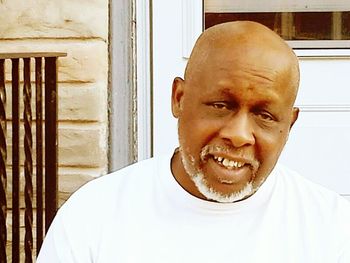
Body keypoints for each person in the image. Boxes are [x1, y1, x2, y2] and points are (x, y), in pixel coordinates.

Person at [37, 21, 350, 262]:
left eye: (264, 115)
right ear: (179, 99)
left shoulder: (331, 229)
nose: (239, 134)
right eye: (220, 105)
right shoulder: (94, 215)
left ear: (289, 124)